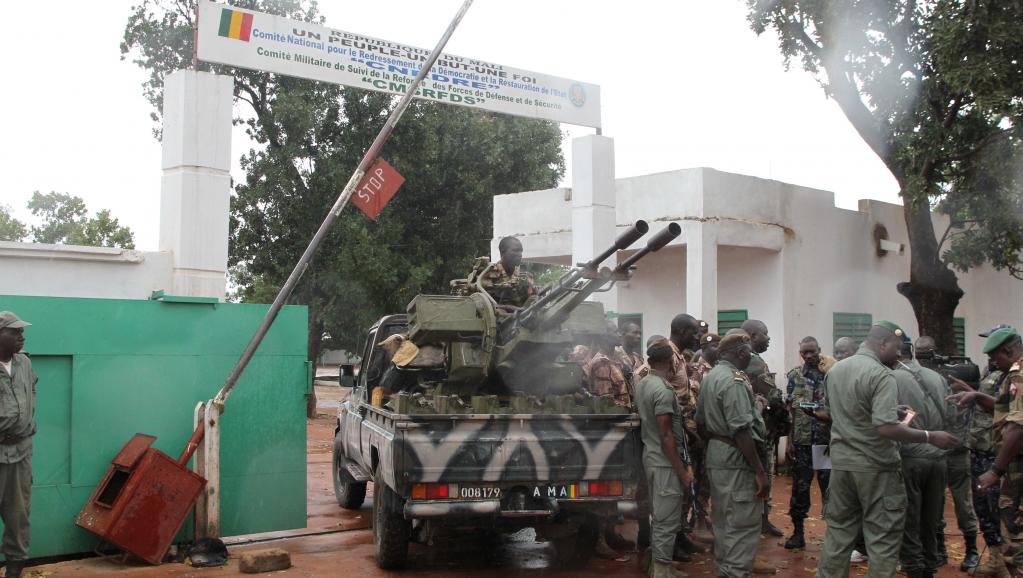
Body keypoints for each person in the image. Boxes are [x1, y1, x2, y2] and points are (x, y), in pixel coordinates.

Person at [815, 321, 960, 578]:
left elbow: (845, 412)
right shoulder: (882, 375)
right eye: (896, 347)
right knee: (882, 540)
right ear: (882, 343)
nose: (899, 354)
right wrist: (929, 436)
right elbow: (885, 429)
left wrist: (891, 412)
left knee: (838, 536)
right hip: (876, 469)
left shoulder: (836, 371)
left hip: (843, 467)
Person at [949, 327, 1023, 576]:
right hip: (1010, 464)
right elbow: (1005, 410)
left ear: (1008, 350)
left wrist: (995, 470)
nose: (992, 362)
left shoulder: (1019, 375)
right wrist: (977, 395)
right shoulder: (1011, 373)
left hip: (1015, 468)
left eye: (995, 356)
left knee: (1015, 535)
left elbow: (1016, 428)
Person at [695, 332, 769, 578]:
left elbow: (702, 424)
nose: (750, 356)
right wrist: (759, 471)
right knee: (742, 523)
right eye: (748, 351)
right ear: (741, 352)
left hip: (718, 454)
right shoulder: (734, 381)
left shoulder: (711, 376)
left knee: (724, 521)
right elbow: (741, 431)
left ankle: (725, 571)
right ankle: (735, 572)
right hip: (737, 458)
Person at [914, 334, 981, 570]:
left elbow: (964, 409)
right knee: (934, 504)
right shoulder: (916, 377)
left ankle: (972, 549)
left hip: (956, 449)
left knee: (963, 503)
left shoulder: (952, 376)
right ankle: (939, 549)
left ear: (935, 351)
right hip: (933, 450)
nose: (922, 360)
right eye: (918, 355)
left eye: (926, 355)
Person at [893, 335, 955, 578]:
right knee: (931, 520)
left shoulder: (892, 378)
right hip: (938, 459)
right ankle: (930, 567)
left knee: (909, 519)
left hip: (910, 457)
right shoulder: (938, 378)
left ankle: (914, 568)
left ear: (896, 354)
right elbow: (950, 415)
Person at [635, 339, 692, 578]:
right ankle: (662, 569)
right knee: (667, 519)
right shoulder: (663, 390)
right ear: (671, 362)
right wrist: (682, 471)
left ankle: (659, 563)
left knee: (659, 515)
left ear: (649, 360)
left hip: (652, 457)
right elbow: (667, 434)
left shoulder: (644, 384)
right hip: (665, 462)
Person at [964, 325, 1014, 577]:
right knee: (982, 506)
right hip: (980, 446)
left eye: (994, 350)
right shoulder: (991, 370)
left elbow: (1005, 412)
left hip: (999, 453)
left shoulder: (1014, 374)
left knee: (1002, 508)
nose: (989, 356)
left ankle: (1007, 561)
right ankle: (996, 558)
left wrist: (973, 396)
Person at [784, 336, 831, 550]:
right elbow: (791, 411)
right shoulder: (795, 376)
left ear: (819, 350)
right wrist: (790, 440)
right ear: (800, 353)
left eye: (812, 351)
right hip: (802, 442)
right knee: (799, 489)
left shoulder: (831, 374)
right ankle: (798, 533)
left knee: (829, 489)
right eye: (805, 352)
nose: (809, 356)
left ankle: (833, 535)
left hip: (825, 443)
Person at [741, 319, 786, 539]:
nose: (768, 338)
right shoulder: (752, 362)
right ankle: (759, 521)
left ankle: (762, 520)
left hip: (760, 429)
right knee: (760, 475)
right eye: (765, 334)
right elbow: (771, 395)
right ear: (751, 335)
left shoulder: (753, 361)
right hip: (757, 431)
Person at [0, 312, 37, 578]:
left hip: (20, 451)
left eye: (22, 332)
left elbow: (31, 389)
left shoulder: (24, 363)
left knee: (18, 515)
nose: (21, 337)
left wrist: (27, 420)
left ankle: (14, 569)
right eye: (15, 332)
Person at [451, 236, 534, 311]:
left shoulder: (526, 276)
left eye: (521, 251)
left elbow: (533, 301)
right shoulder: (486, 274)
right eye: (515, 250)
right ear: (503, 252)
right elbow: (478, 305)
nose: (519, 255)